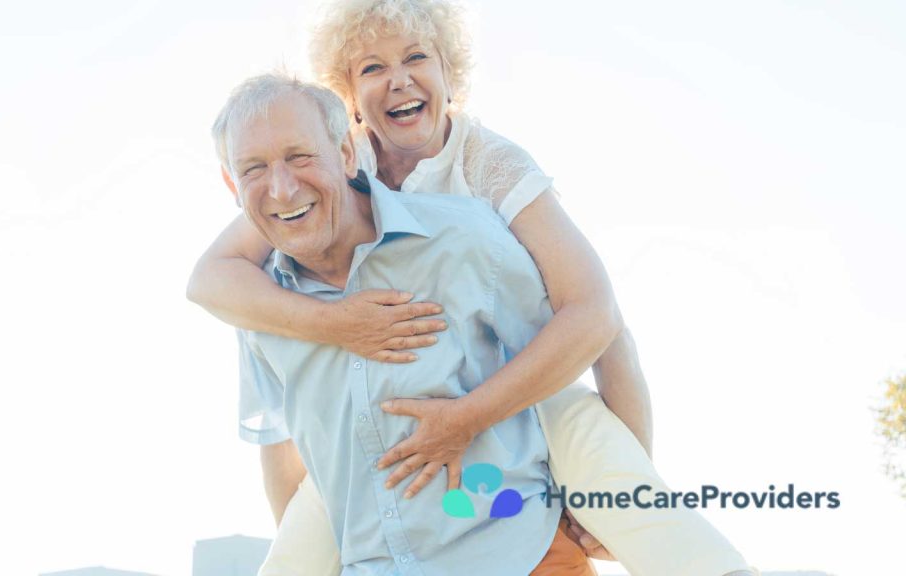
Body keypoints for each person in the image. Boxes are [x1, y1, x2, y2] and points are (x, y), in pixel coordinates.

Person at [192, 2, 756, 575]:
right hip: (386, 421)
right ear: (347, 96)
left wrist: (606, 500)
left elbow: (597, 320)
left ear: (448, 71)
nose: (399, 80)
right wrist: (337, 323)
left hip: (520, 387)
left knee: (608, 465)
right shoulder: (328, 169)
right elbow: (212, 278)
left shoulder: (490, 166)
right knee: (299, 544)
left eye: (416, 58)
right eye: (371, 68)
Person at [222, 72, 595, 574]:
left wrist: (470, 418)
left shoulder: (463, 237)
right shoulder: (258, 310)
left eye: (300, 156)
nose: (283, 187)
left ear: (347, 154)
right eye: (253, 168)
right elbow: (282, 453)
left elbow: (575, 342)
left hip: (522, 558)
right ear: (231, 185)